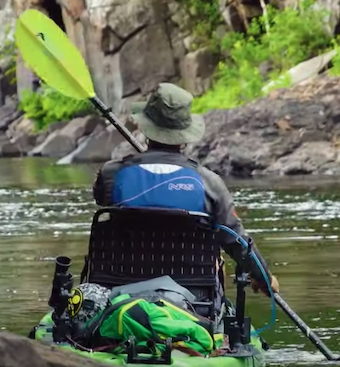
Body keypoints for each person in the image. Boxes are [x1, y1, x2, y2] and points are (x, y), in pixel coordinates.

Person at [91, 82, 280, 296]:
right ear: (184, 136)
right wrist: (263, 277)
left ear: (145, 127)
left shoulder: (111, 174)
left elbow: (101, 196)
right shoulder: (210, 184)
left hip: (116, 292)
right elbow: (236, 241)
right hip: (194, 300)